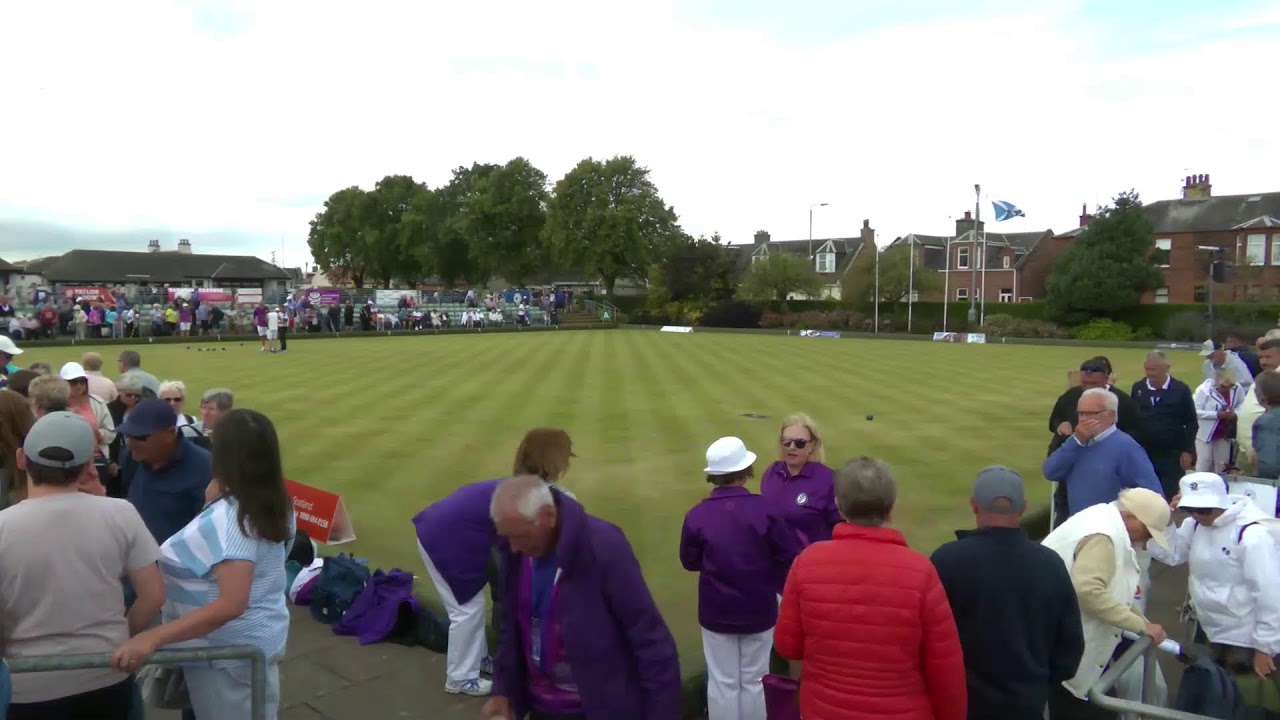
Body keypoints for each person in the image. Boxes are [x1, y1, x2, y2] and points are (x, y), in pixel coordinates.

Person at [112, 409, 293, 720]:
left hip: (228, 656)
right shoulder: (273, 500)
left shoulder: (234, 521)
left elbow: (231, 604)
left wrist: (152, 637)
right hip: (241, 648)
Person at [0, 412, 164, 720]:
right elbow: (154, 595)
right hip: (107, 673)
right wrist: (119, 639)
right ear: (88, 466)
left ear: (22, 459)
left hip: (26, 686)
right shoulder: (121, 512)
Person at [774, 457, 967, 720]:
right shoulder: (921, 570)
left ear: (840, 507)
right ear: (892, 508)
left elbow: (788, 646)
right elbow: (947, 672)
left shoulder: (807, 562)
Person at [482, 476, 680, 720]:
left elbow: (651, 641)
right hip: (540, 710)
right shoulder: (514, 553)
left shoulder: (604, 546)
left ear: (548, 516)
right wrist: (503, 690)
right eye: (507, 537)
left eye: (520, 536)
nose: (512, 547)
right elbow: (511, 629)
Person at [413, 428, 577, 697]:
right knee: (466, 610)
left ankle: (475, 662)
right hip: (444, 537)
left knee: (470, 606)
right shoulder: (535, 493)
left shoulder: (528, 487)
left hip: (441, 529)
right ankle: (461, 678)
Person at [930, 466, 1084, 720]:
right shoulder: (1050, 563)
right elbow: (1069, 653)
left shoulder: (946, 560)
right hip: (1025, 705)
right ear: (1022, 508)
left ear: (974, 505)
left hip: (964, 706)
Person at [680, 437, 798, 720]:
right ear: (746, 471)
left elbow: (689, 561)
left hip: (716, 612)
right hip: (759, 610)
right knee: (756, 680)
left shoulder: (697, 515)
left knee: (723, 682)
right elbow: (788, 555)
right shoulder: (766, 510)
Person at [1041, 488, 1170, 720]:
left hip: (1058, 640)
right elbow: (1088, 591)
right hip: (1064, 649)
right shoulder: (1103, 536)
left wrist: (1141, 622)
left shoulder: (1102, 517)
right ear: (1132, 517)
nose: (1148, 539)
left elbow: (1110, 589)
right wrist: (1140, 626)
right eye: (1148, 531)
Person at [1147, 473, 1280, 695]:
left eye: (1204, 510)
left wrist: (1265, 647)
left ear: (1220, 502)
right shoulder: (1194, 525)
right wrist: (1167, 521)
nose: (1198, 516)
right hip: (1208, 629)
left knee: (1243, 704)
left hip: (1244, 638)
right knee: (1215, 698)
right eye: (1190, 510)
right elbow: (1171, 555)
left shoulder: (1252, 535)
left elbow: (1270, 594)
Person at [1047, 358, 1145, 527]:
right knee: (1063, 518)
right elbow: (1054, 421)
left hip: (1108, 484)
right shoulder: (1071, 395)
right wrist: (1060, 426)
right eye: (1085, 383)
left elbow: (1138, 432)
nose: (1088, 388)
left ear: (1106, 379)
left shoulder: (1123, 402)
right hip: (1069, 468)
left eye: (1094, 383)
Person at [1043, 388, 1163, 520]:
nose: (1083, 420)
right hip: (1078, 527)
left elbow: (1153, 495)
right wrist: (1076, 440)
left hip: (1111, 531)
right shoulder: (1076, 444)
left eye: (1091, 414)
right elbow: (1050, 471)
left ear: (1111, 415)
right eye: (1081, 414)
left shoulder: (1126, 447)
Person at [118, 398, 212, 544]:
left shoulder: (204, 468)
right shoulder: (131, 458)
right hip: (137, 559)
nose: (131, 443)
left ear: (169, 434)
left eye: (140, 437)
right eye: (128, 435)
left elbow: (209, 532)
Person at [759, 413, 841, 553]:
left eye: (800, 443)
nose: (792, 447)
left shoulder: (828, 480)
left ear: (812, 446)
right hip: (775, 565)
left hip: (812, 563)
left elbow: (839, 528)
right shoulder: (772, 473)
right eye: (786, 442)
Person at [1129, 351, 1196, 498]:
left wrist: (1188, 450)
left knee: (1168, 493)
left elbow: (1191, 422)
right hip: (1144, 453)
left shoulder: (1181, 390)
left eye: (1155, 369)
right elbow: (1132, 419)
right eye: (1148, 369)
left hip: (1171, 454)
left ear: (1167, 368)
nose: (1151, 373)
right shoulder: (1138, 388)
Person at [1238, 336, 1280, 474]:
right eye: (1261, 358)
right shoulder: (1266, 376)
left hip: (1268, 456)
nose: (1263, 362)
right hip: (1250, 450)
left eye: (1268, 357)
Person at [1192, 368, 1246, 473]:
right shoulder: (1204, 390)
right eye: (1223, 386)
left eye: (1230, 386)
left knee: (1222, 463)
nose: (1226, 389)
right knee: (1204, 461)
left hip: (1224, 431)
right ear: (1216, 381)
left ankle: (1220, 485)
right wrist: (1216, 414)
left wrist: (1235, 414)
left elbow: (1242, 404)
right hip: (1204, 432)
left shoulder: (1237, 388)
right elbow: (1194, 411)